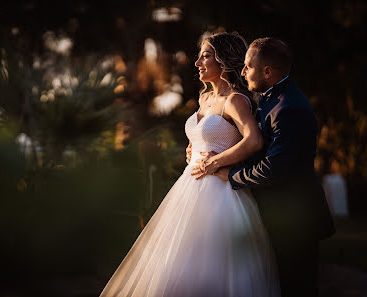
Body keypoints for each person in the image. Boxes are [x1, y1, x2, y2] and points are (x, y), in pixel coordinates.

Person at [100, 32, 280, 297]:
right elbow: (209, 134)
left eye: (205, 56)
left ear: (224, 61)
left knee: (212, 265)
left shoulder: (235, 100)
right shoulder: (204, 99)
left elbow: (253, 141)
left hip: (221, 195)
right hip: (188, 188)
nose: (197, 63)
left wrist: (214, 162)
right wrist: (194, 146)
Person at [192, 37, 335, 297]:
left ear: (267, 71)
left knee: (296, 288)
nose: (243, 71)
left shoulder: (288, 107)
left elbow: (274, 167)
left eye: (248, 66)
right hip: (276, 214)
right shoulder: (270, 99)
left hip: (295, 219)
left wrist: (229, 174)